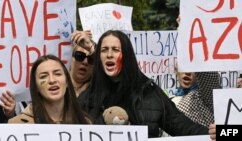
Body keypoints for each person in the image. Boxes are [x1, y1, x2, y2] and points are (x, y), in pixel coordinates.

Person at [80, 30, 208, 137]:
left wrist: (221, 133)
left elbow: (184, 127)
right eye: (104, 50)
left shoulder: (149, 92)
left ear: (127, 55)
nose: (109, 55)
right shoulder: (86, 99)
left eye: (115, 49)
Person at [8, 54, 91, 124]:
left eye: (57, 74)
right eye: (43, 76)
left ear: (67, 82)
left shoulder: (85, 123)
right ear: (36, 87)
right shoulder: (16, 124)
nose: (52, 80)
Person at [70, 30, 95, 97]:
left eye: (91, 59)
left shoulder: (96, 91)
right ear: (71, 58)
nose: (85, 62)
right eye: (80, 56)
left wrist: (91, 47)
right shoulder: (57, 85)